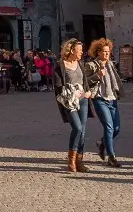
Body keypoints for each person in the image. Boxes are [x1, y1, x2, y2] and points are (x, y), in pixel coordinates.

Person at [53, 39, 90, 173]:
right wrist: (71, 90)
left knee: (83, 131)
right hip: (69, 101)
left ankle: (79, 161)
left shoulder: (80, 63)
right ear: (72, 50)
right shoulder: (60, 65)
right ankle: (71, 160)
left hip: (83, 100)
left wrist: (87, 90)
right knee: (78, 128)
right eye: (79, 50)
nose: (82, 52)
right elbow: (57, 85)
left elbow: (84, 80)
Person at [84, 39, 122, 168]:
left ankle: (102, 143)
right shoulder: (91, 65)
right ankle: (111, 157)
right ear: (98, 52)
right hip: (99, 99)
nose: (107, 54)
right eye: (104, 52)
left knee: (116, 129)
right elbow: (86, 82)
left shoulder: (111, 65)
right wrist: (97, 75)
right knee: (109, 127)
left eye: (108, 51)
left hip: (112, 98)